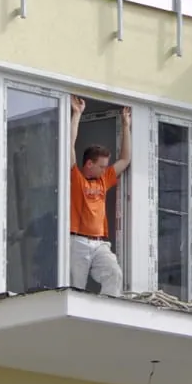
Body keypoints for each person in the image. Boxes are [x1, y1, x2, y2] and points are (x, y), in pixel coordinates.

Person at [70, 96, 131, 297]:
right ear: (89, 164)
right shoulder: (76, 178)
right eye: (102, 166)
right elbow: (69, 146)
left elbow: (125, 159)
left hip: (100, 243)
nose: (106, 169)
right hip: (77, 241)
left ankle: (107, 310)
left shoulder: (104, 180)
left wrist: (126, 125)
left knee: (114, 273)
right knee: (75, 290)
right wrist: (77, 114)